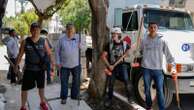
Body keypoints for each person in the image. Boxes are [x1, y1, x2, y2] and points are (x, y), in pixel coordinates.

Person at [15, 22, 54, 110]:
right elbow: (20, 54)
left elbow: (49, 53)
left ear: (40, 31)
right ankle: (23, 106)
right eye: (34, 30)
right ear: (31, 31)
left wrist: (52, 65)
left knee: (41, 87)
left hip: (40, 69)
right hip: (29, 69)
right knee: (24, 88)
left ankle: (42, 103)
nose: (36, 32)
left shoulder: (43, 41)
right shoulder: (25, 41)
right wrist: (15, 66)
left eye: (37, 30)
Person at [140, 22, 176, 110]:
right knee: (147, 90)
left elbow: (169, 55)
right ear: (148, 29)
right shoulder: (144, 40)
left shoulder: (162, 40)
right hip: (146, 69)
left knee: (160, 91)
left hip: (158, 70)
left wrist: (173, 68)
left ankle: (162, 108)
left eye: (154, 27)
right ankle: (148, 106)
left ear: (157, 29)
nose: (152, 29)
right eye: (151, 27)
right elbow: (140, 51)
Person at [101, 27, 134, 107]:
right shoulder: (109, 44)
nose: (113, 35)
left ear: (119, 34)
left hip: (122, 65)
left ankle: (130, 97)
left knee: (126, 80)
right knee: (111, 83)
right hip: (112, 66)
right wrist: (109, 66)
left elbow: (128, 54)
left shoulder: (125, 44)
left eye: (114, 34)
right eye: (112, 34)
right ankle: (109, 99)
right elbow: (103, 56)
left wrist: (128, 53)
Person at [55, 23, 83, 104]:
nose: (70, 30)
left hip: (76, 64)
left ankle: (74, 95)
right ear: (66, 30)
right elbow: (57, 52)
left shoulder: (78, 38)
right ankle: (64, 97)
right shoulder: (61, 40)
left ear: (74, 30)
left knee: (76, 81)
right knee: (64, 82)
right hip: (64, 65)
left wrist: (81, 46)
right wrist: (58, 62)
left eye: (72, 29)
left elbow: (84, 49)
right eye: (69, 29)